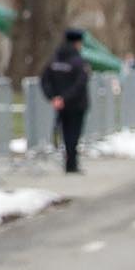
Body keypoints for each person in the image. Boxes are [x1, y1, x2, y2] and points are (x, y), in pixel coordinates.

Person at [39, 27, 91, 174]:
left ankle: (69, 162)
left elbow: (45, 80)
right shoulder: (79, 61)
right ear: (77, 43)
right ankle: (71, 164)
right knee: (74, 134)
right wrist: (64, 98)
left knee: (65, 133)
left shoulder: (54, 60)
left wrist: (54, 97)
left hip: (61, 105)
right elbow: (80, 83)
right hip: (76, 104)